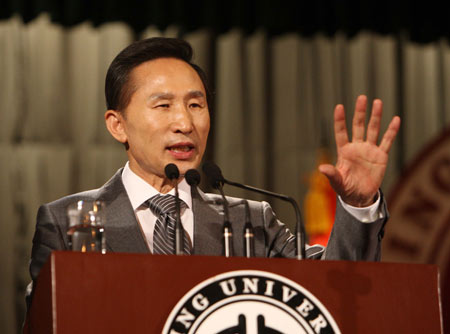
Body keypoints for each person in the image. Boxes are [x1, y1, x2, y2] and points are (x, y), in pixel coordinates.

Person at [26, 37, 400, 306]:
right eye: (164, 105)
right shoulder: (67, 222)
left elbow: (330, 296)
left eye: (196, 104)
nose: (185, 122)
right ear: (117, 124)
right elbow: (45, 323)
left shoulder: (250, 222)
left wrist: (357, 205)